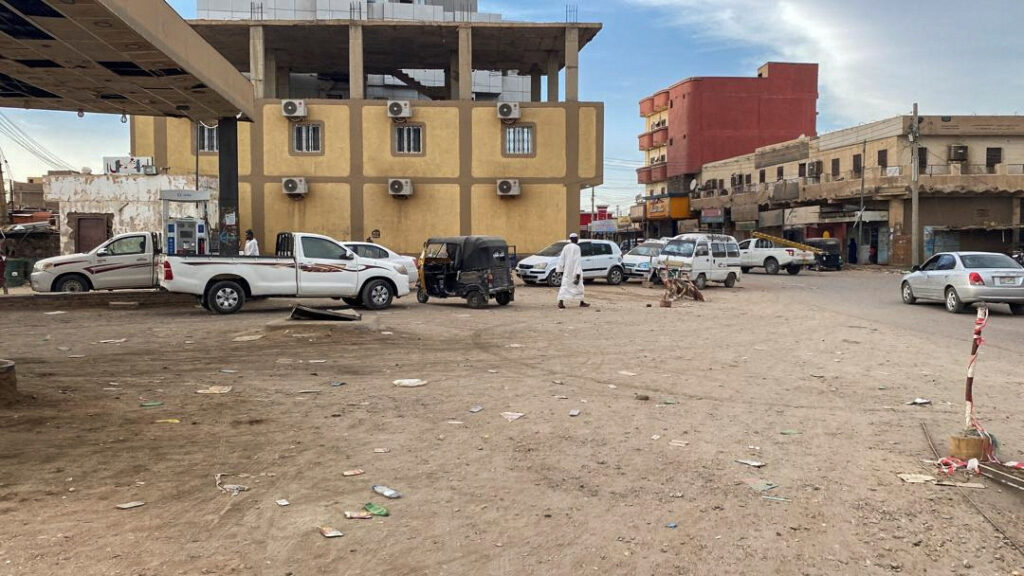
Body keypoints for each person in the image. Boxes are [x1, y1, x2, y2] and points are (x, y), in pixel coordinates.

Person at [555, 233, 589, 309]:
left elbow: (561, 259)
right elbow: (577, 262)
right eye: (577, 238)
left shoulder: (566, 247)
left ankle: (561, 302)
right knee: (579, 287)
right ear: (575, 239)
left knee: (564, 287)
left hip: (567, 272)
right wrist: (578, 275)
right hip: (575, 271)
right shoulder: (577, 248)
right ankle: (581, 302)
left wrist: (560, 270)